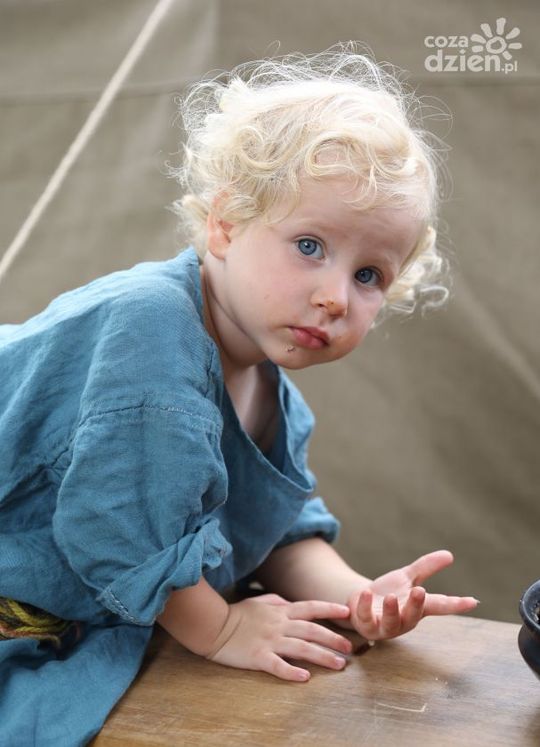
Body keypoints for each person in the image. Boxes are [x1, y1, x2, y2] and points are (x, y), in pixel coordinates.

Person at [0, 44, 477, 745]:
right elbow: (117, 525)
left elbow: (277, 532)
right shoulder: (149, 327)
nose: (335, 296)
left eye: (369, 275)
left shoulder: (272, 394)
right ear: (225, 223)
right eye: (310, 245)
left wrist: (358, 598)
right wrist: (220, 626)